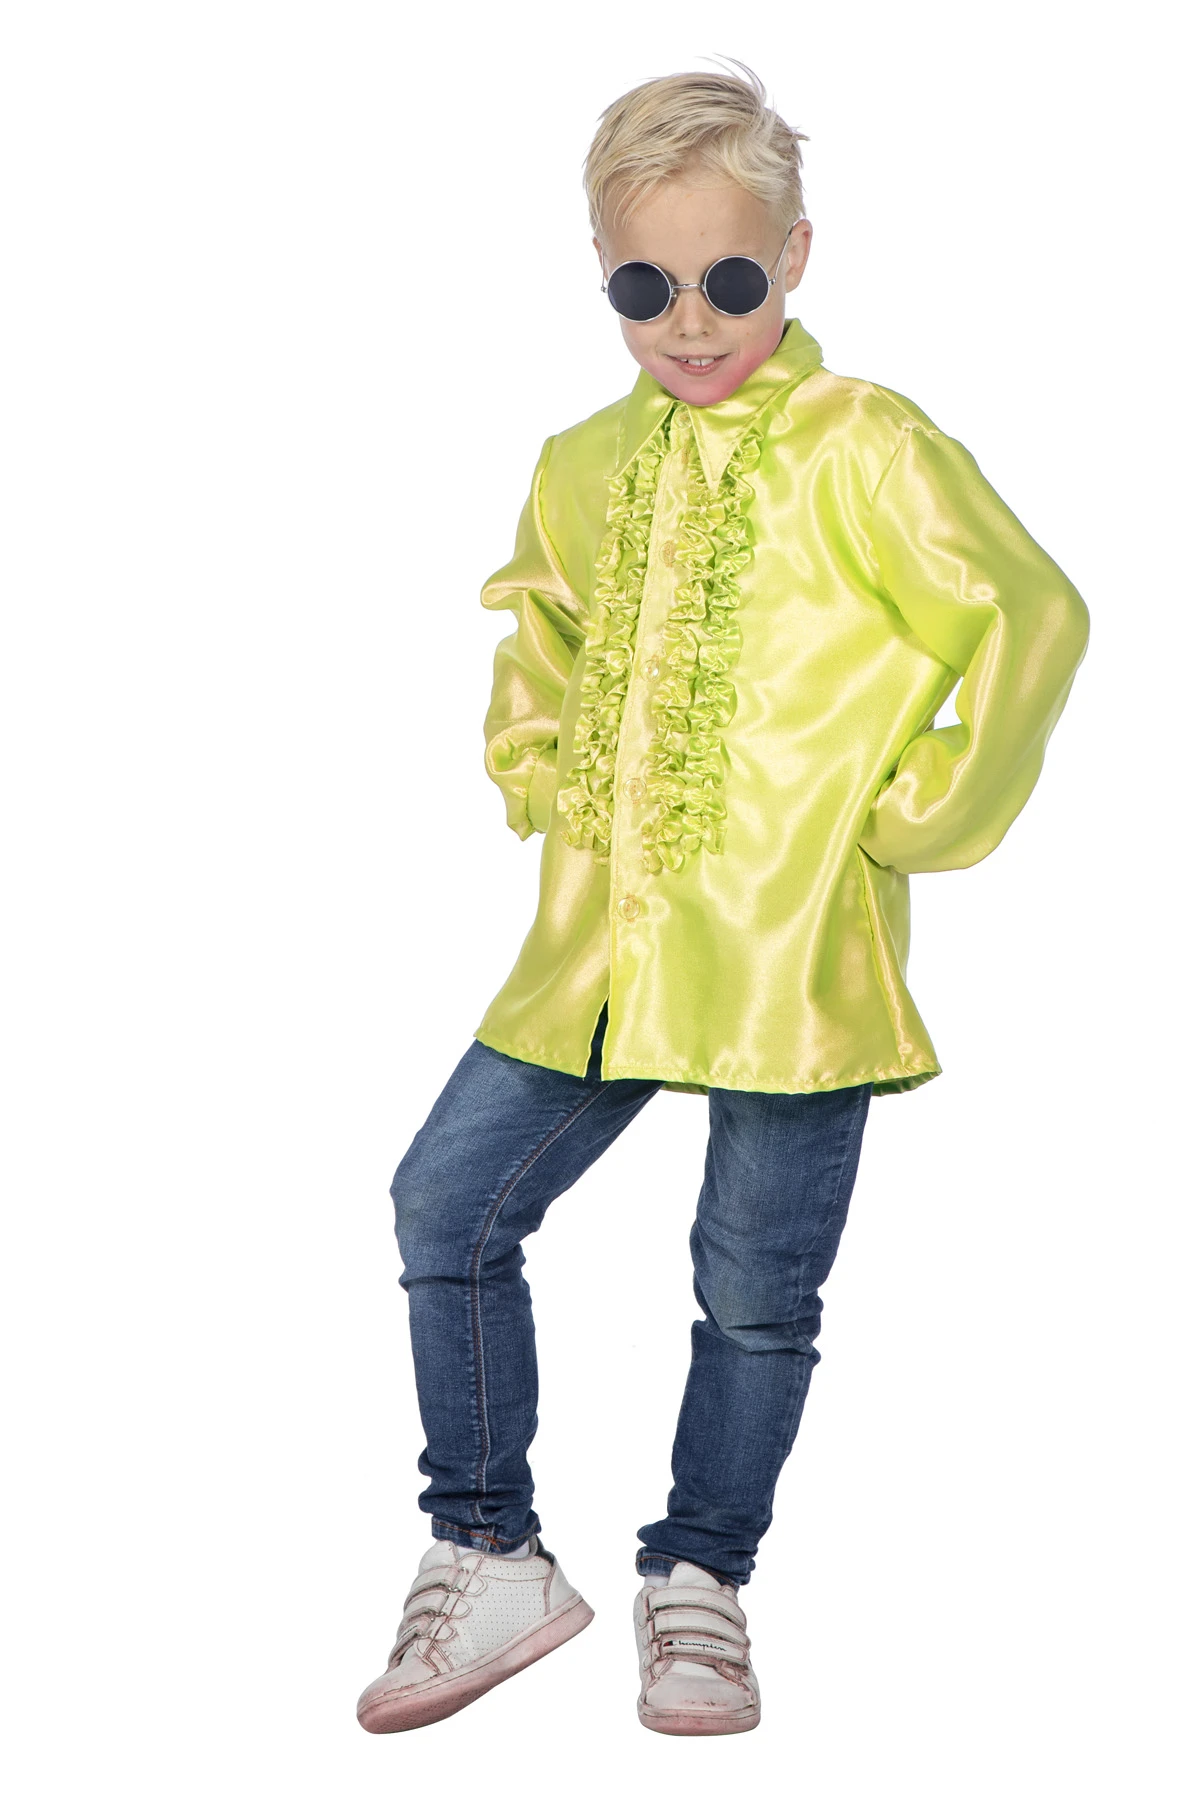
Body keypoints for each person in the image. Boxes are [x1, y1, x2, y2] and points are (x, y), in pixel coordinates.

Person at [356, 61, 1089, 1738]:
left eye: (731, 279)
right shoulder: (581, 461)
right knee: (446, 1208)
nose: (690, 322)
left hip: (791, 953)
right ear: (603, 274)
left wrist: (916, 814)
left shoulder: (868, 446)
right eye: (647, 287)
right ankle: (489, 1551)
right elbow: (536, 637)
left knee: (755, 1290)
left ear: (796, 257)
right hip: (600, 951)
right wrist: (540, 768)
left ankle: (701, 1578)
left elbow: (1034, 615)